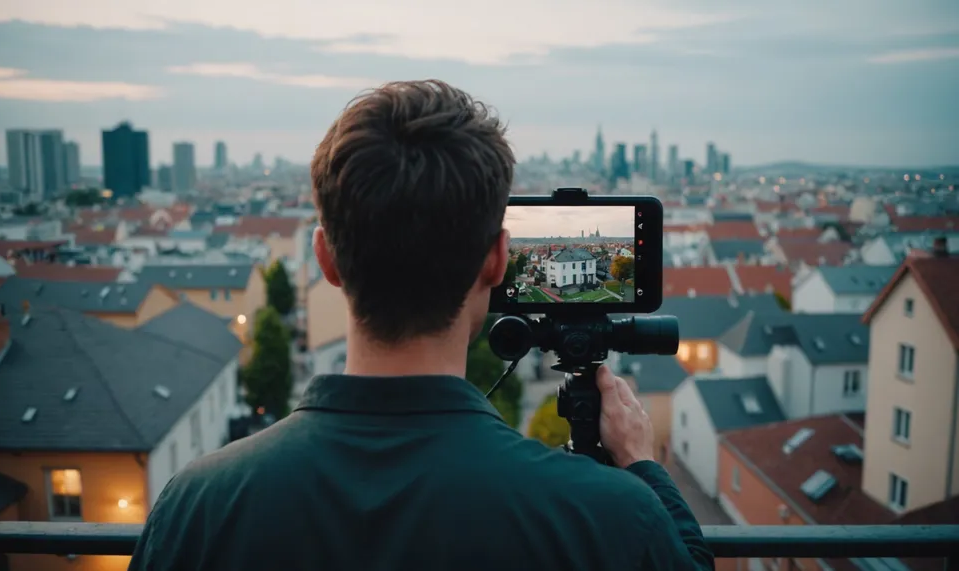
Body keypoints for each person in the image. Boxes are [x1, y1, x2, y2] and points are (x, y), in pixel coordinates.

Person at [128, 80, 714, 571]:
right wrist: (641, 465)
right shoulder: (608, 515)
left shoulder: (195, 508)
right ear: (496, 260)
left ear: (326, 260)